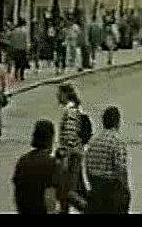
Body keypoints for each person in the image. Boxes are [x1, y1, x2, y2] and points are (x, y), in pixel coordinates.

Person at [85, 106, 130, 214]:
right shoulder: (117, 141)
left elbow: (87, 168)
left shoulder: (93, 142)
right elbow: (121, 170)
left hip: (95, 191)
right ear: (117, 122)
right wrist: (126, 191)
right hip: (111, 193)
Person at [12, 119, 63, 214]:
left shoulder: (23, 161)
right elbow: (50, 196)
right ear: (50, 138)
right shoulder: (52, 164)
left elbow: (17, 191)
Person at [56, 83, 86, 213]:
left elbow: (70, 137)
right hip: (76, 154)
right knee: (75, 190)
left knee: (68, 192)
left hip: (71, 156)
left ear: (65, 94)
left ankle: (89, 210)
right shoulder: (76, 109)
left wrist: (63, 156)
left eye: (59, 93)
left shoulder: (70, 112)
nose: (57, 96)